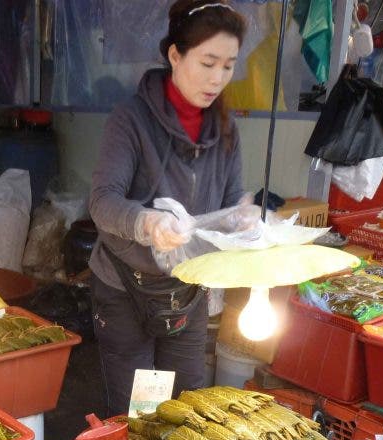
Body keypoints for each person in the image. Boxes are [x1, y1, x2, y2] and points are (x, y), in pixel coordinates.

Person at [88, 0, 258, 416]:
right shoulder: (130, 120)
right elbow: (102, 201)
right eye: (208, 62)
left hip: (187, 287)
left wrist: (241, 215)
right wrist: (147, 221)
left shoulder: (225, 128)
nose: (217, 78)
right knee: (137, 410)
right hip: (124, 286)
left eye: (228, 65)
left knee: (186, 404)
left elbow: (231, 197)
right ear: (175, 55)